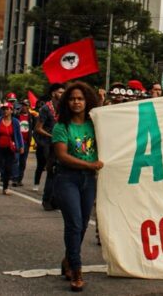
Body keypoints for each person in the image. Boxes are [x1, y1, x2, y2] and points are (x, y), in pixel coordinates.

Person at [53, 81, 103, 292]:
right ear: (67, 102)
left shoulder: (95, 125)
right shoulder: (61, 126)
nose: (76, 102)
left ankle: (67, 258)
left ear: (87, 101)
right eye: (72, 98)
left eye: (80, 98)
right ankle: (77, 268)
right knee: (73, 223)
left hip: (89, 180)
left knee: (82, 224)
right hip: (67, 179)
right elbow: (62, 155)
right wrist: (89, 164)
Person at [34, 83, 64, 198]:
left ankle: (55, 198)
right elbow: (38, 128)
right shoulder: (45, 108)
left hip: (60, 143)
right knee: (51, 170)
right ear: (53, 93)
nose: (63, 94)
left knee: (59, 171)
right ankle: (47, 199)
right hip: (48, 144)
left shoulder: (63, 108)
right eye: (60, 92)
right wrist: (52, 136)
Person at [0, 103, 22, 195]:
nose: (5, 111)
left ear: (11, 110)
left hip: (10, 148)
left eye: (7, 109)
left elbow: (18, 135)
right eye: (4, 109)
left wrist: (21, 146)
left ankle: (5, 188)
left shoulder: (15, 122)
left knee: (8, 168)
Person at [13, 100, 35, 186]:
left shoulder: (32, 117)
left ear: (29, 106)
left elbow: (34, 129)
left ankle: (19, 179)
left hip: (26, 142)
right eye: (23, 105)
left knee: (23, 161)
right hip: (17, 141)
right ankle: (14, 178)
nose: (24, 107)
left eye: (26, 105)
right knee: (16, 160)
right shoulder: (16, 116)